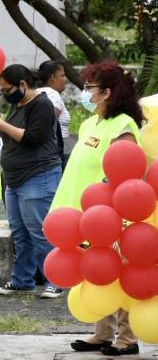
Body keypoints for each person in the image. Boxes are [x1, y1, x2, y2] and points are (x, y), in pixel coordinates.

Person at [51, 62, 143, 357]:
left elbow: (126, 171)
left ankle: (127, 338)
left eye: (90, 86)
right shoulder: (90, 123)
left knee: (120, 272)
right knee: (96, 271)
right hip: (80, 210)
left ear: (106, 92)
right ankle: (103, 333)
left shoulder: (124, 126)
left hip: (110, 213)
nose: (84, 91)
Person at [0, 64, 63, 300]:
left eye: (7, 88)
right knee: (20, 233)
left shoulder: (41, 104)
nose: (4, 93)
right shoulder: (18, 104)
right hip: (15, 180)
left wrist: (1, 125)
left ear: (23, 84)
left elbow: (33, 138)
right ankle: (23, 279)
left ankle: (56, 280)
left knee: (40, 231)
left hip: (38, 176)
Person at [38, 60, 71, 165]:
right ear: (52, 78)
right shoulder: (53, 94)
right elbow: (48, 124)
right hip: (56, 150)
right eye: (62, 75)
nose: (65, 79)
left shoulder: (37, 92)